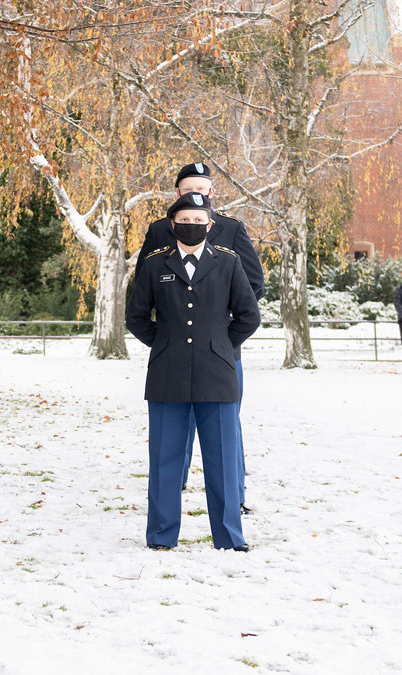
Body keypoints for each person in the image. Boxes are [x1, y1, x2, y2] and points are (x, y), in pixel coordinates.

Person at [126, 192, 260, 551]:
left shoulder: (228, 263)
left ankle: (230, 538)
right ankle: (160, 536)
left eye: (199, 222)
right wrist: (164, 342)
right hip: (166, 375)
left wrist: (221, 345)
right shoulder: (156, 265)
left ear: (210, 226)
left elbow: (249, 316)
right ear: (173, 225)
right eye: (185, 221)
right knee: (165, 461)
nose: (192, 226)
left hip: (217, 375)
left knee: (222, 463)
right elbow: (135, 316)